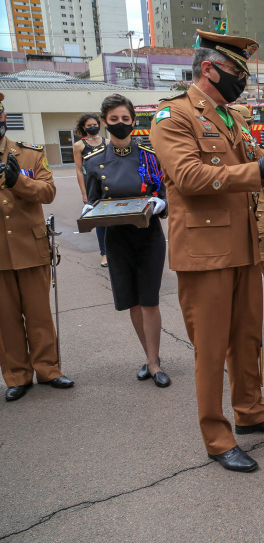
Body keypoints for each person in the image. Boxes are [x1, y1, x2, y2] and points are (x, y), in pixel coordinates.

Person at [149, 30, 264, 472]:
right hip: (205, 252)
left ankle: (251, 412)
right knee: (211, 349)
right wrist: (259, 169)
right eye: (236, 73)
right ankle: (216, 436)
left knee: (248, 337)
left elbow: (253, 170)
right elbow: (188, 176)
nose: (242, 81)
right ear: (209, 69)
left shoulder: (233, 117)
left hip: (245, 245)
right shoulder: (173, 116)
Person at [83, 94, 171, 388]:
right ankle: (148, 357)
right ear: (104, 121)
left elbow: (165, 193)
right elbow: (93, 198)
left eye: (125, 119)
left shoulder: (150, 154)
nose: (120, 124)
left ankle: (155, 363)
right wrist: (89, 209)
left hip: (147, 236)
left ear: (134, 121)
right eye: (113, 119)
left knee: (149, 300)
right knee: (132, 302)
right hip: (117, 238)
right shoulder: (94, 161)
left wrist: (160, 204)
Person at [0, 92, 75, 401]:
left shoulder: (29, 153)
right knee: (5, 319)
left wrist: (19, 181)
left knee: (39, 314)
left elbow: (48, 192)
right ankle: (17, 376)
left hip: (31, 247)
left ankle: (48, 369)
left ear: (3, 116)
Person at [230, 104, 264, 320]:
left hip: (259, 213)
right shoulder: (226, 150)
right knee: (240, 265)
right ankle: (246, 308)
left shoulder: (255, 150)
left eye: (248, 123)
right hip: (236, 215)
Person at [73, 113, 108, 267]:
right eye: (89, 125)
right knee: (100, 221)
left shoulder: (107, 142)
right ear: (83, 127)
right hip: (93, 187)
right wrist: (84, 193)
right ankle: (104, 254)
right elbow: (79, 170)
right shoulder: (79, 145)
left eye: (95, 124)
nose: (93, 127)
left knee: (116, 219)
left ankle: (117, 251)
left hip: (109, 185)